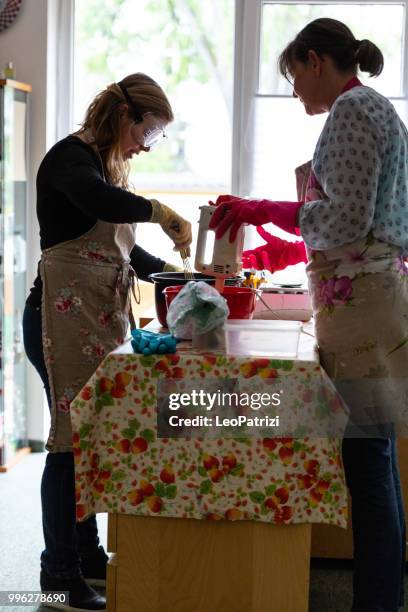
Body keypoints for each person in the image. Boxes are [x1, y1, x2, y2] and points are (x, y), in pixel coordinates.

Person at [210, 18, 408, 612]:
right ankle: (381, 597)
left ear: (316, 61)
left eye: (295, 75)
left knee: (368, 464)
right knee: (377, 459)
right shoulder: (375, 111)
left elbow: (343, 221)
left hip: (363, 312)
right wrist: (275, 247)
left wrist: (263, 208)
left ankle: (375, 603)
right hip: (372, 303)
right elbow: (354, 225)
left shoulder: (352, 113)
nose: (295, 89)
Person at [23, 72, 192, 611]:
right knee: (69, 443)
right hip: (56, 320)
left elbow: (120, 253)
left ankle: (87, 552)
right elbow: (98, 201)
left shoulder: (105, 167)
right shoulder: (71, 161)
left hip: (92, 320)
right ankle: (58, 576)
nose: (147, 145)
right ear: (126, 115)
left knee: (89, 439)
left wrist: (176, 274)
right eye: (151, 132)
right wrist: (159, 211)